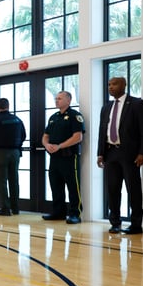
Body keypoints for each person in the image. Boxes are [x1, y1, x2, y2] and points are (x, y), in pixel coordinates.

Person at [96, 77, 143, 234]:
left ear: (124, 85)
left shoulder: (137, 104)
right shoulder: (106, 107)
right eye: (108, 84)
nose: (110, 87)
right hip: (110, 152)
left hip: (130, 154)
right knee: (112, 189)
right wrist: (100, 153)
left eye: (114, 84)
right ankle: (115, 223)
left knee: (133, 189)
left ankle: (135, 225)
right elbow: (102, 132)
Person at [42, 91, 84, 224]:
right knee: (55, 185)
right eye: (56, 98)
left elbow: (78, 137)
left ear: (68, 100)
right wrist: (46, 145)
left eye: (59, 98)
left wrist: (60, 146)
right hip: (54, 157)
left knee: (73, 186)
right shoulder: (53, 117)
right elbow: (45, 136)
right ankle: (58, 212)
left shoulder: (74, 116)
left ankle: (75, 214)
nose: (56, 100)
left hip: (69, 157)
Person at [0, 98, 27, 216]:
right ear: (8, 106)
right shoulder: (17, 120)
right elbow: (23, 135)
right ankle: (16, 208)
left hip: (1, 153)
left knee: (2, 181)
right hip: (15, 152)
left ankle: (5, 209)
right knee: (14, 180)